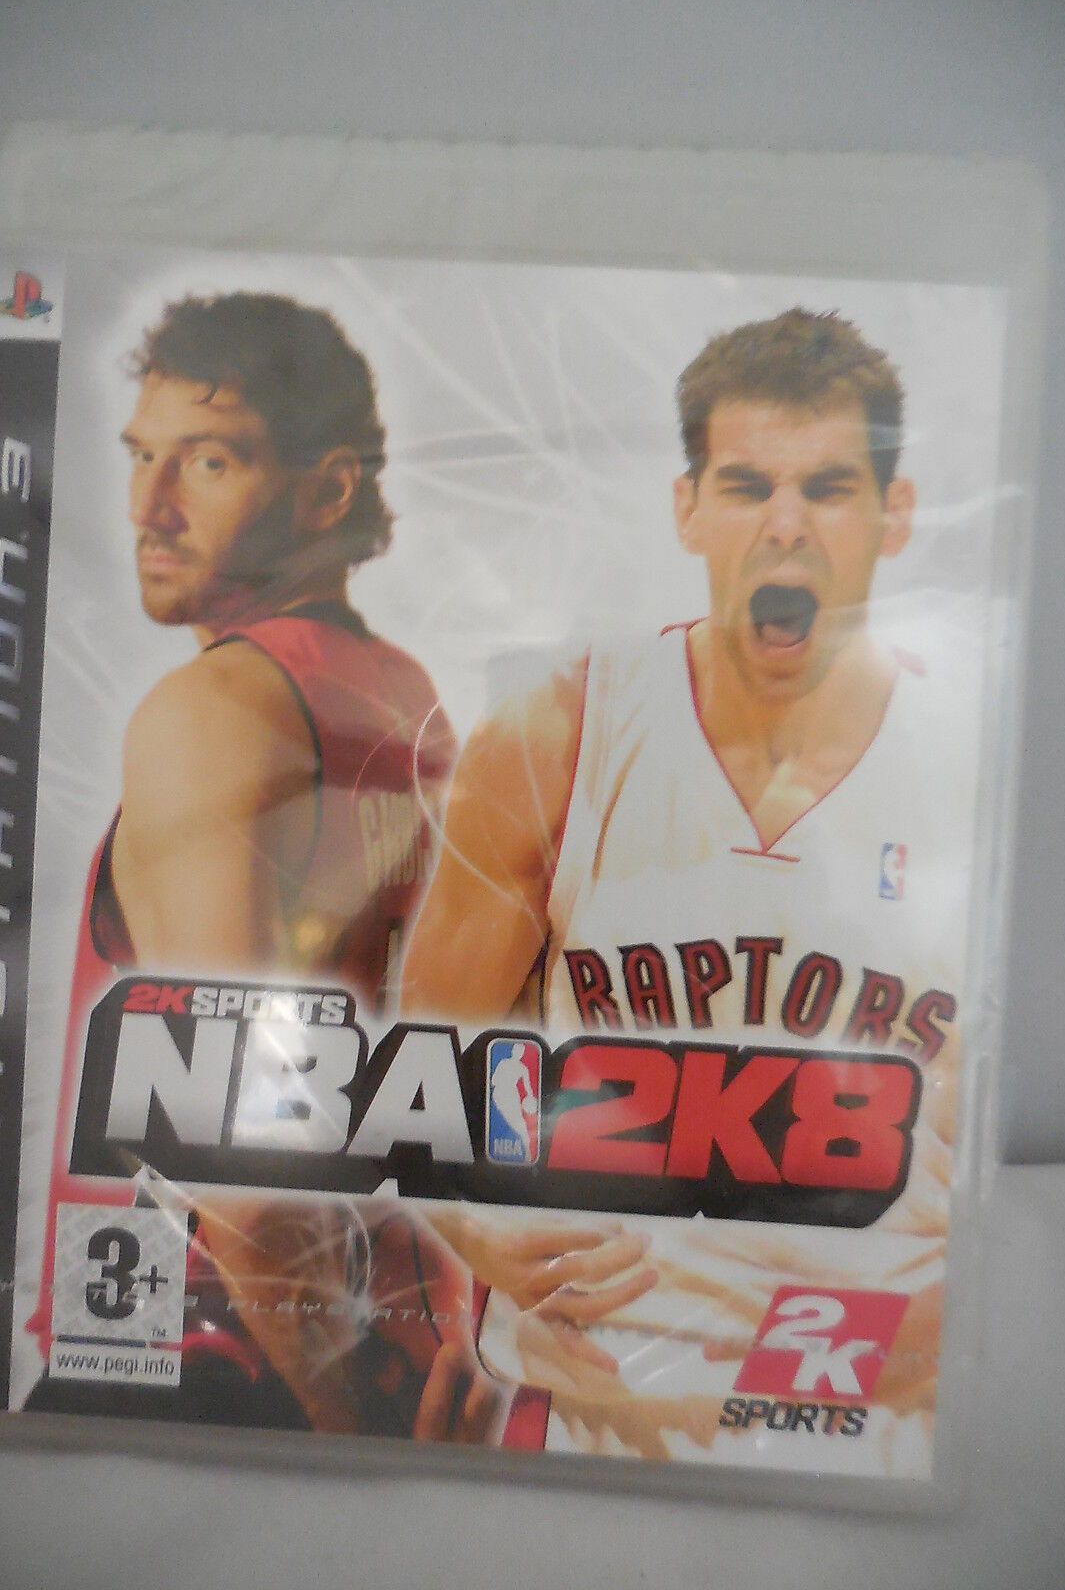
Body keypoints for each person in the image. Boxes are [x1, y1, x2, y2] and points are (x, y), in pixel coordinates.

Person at [31, 291, 646, 1441]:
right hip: (366, 1351)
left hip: (211, 1365)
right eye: (143, 455)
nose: (149, 506)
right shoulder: (401, 695)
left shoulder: (216, 709)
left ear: (327, 492)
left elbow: (229, 1134)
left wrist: (354, 1428)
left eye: (209, 461)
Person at [401, 309, 970, 1461]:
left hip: (872, 1429)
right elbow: (422, 1074)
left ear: (896, 513)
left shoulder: (980, 767)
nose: (786, 525)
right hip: (584, 1425)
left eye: (831, 487)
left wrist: (833, 1358)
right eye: (749, 485)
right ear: (688, 507)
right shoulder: (561, 735)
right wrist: (479, 1227)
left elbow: (1017, 1184)